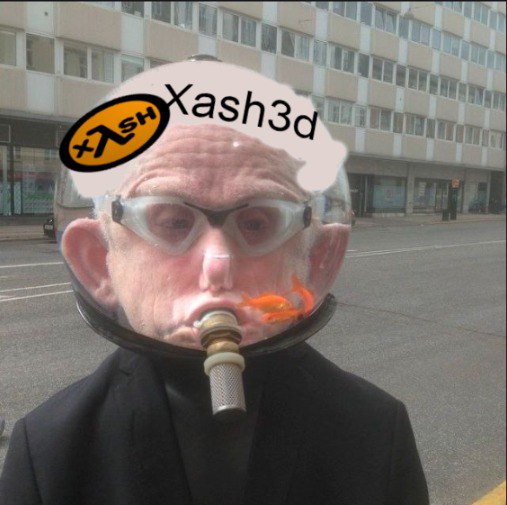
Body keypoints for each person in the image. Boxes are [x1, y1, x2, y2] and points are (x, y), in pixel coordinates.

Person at [0, 60, 429, 505]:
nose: (217, 264)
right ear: (98, 261)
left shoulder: (375, 432)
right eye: (172, 221)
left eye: (258, 223)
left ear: (317, 257)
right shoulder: (50, 451)